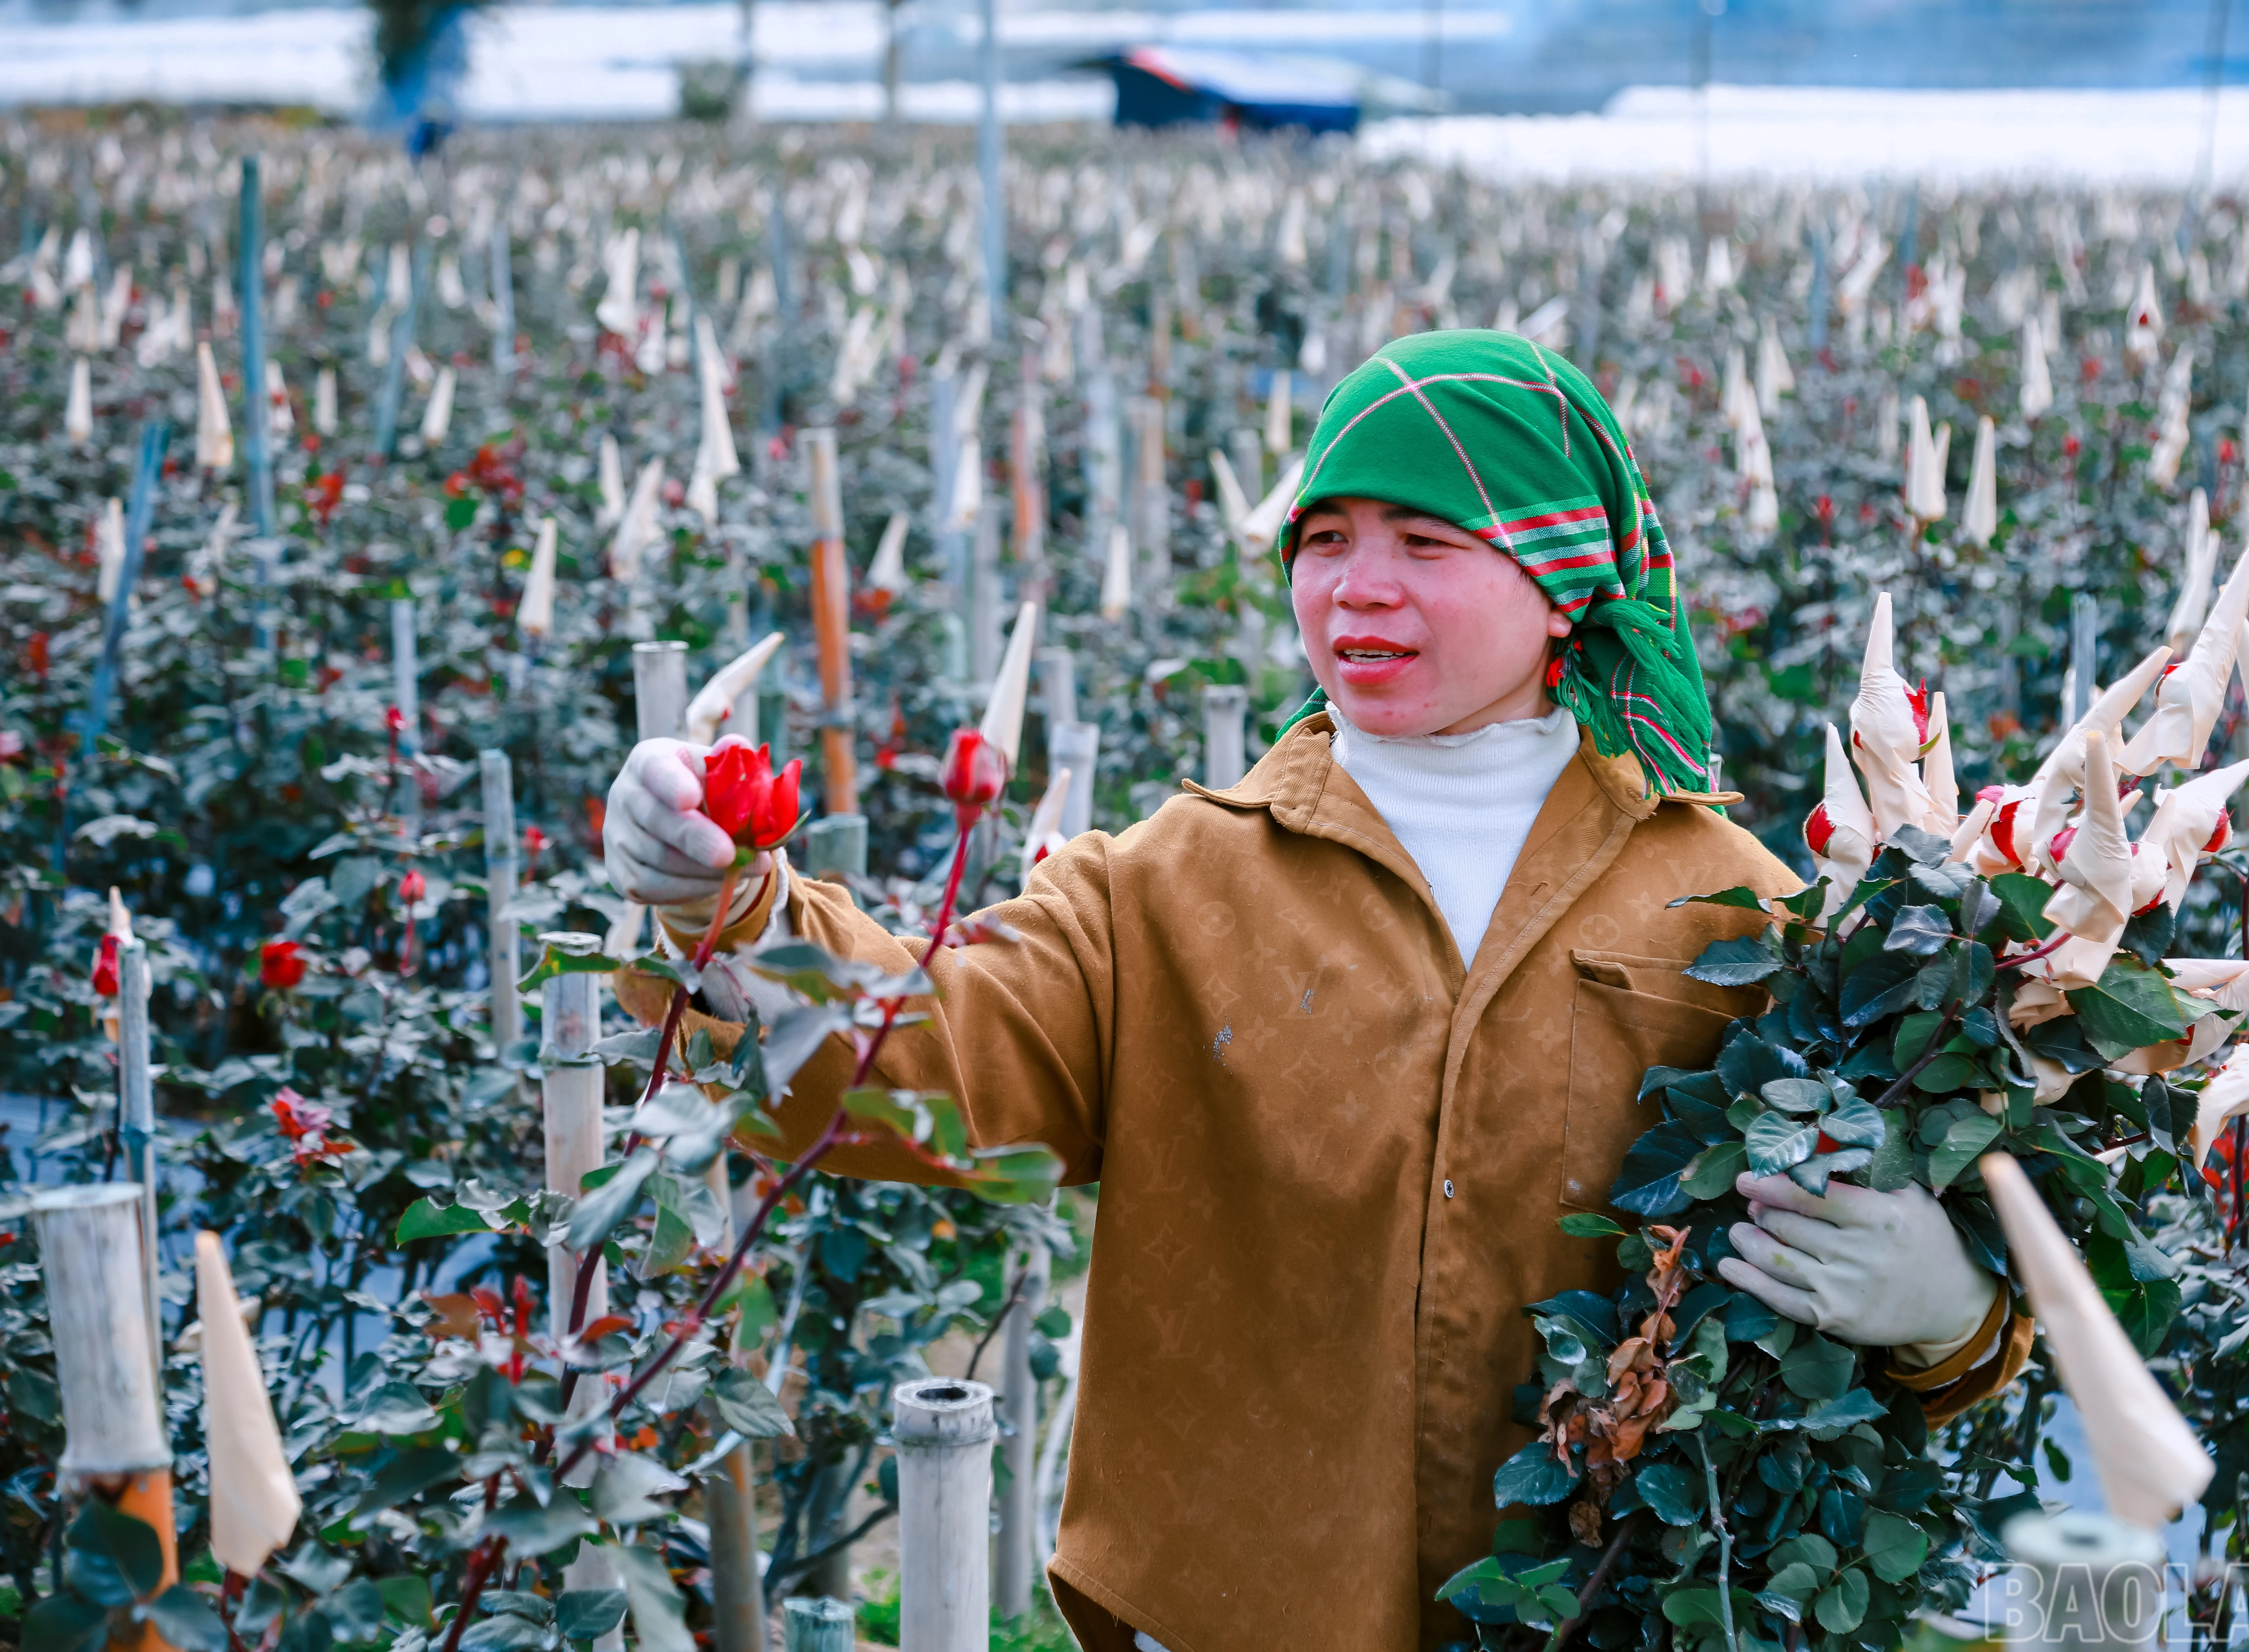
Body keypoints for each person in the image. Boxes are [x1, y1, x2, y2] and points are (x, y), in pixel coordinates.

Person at [603, 330, 2027, 1652]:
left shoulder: (1727, 904)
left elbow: (1900, 1323)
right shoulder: (1172, 882)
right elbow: (934, 1051)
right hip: (1229, 1612)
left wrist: (1945, 1310)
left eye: (1426, 541)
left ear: (1564, 579)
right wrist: (731, 916)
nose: (1359, 586)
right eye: (1325, 541)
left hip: (1609, 1607)